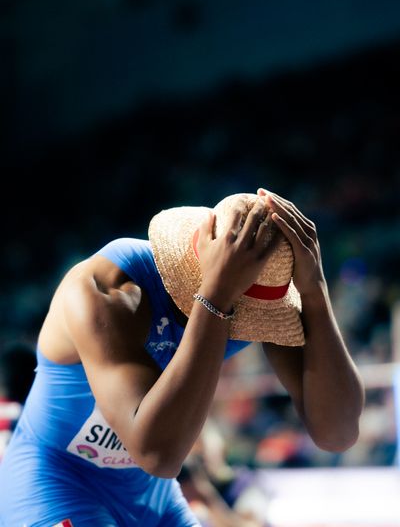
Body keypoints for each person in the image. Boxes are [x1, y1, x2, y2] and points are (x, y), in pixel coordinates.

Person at [0, 188, 365, 527]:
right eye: (244, 308)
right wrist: (216, 300)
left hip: (152, 494)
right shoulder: (103, 289)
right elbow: (157, 453)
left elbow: (337, 432)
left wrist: (315, 294)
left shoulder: (260, 305)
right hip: (57, 478)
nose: (250, 321)